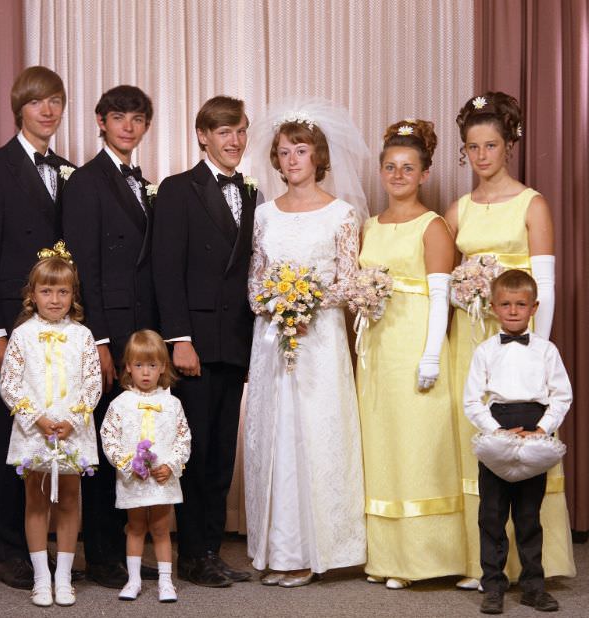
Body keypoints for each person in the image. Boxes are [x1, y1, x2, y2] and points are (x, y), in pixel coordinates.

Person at [444, 92, 575, 589]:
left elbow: (546, 284)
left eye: (491, 145)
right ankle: (484, 565)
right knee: (480, 449)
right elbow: (437, 267)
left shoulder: (531, 203)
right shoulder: (458, 209)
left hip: (519, 341)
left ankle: (533, 566)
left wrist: (538, 355)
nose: (481, 156)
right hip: (472, 340)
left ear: (509, 145)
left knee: (525, 448)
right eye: (472, 147)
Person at [243, 99, 367, 587]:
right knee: (276, 435)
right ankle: (279, 549)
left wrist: (306, 302)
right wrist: (275, 302)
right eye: (284, 152)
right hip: (273, 337)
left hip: (320, 340)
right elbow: (254, 281)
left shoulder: (342, 214)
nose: (293, 159)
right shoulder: (265, 215)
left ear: (319, 156)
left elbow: (348, 281)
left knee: (315, 434)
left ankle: (315, 551)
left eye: (301, 150)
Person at [0, 65, 75, 589]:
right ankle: (7, 550)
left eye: (55, 101)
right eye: (37, 102)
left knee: (60, 430)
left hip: (58, 327)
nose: (47, 111)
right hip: (7, 327)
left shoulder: (72, 171)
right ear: (19, 109)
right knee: (6, 437)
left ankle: (53, 544)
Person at [152, 96, 258, 587]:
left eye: (239, 131)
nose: (233, 141)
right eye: (223, 133)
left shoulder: (254, 194)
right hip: (195, 343)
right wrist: (180, 339)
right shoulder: (177, 189)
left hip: (234, 343)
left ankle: (210, 550)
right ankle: (193, 554)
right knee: (194, 451)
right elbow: (166, 271)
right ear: (202, 136)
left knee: (220, 455)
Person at [357, 119, 465, 589]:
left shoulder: (433, 226)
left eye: (408, 168)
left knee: (420, 447)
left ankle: (427, 558)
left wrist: (431, 356)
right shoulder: (368, 226)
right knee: (382, 449)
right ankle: (390, 559)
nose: (398, 175)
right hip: (377, 348)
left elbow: (440, 297)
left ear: (424, 174)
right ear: (381, 172)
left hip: (415, 343)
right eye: (390, 167)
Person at [62, 85, 158, 588]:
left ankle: (122, 549)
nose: (128, 126)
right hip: (107, 332)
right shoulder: (85, 181)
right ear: (100, 121)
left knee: (129, 439)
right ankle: (99, 556)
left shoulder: (142, 182)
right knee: (101, 442)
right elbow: (84, 268)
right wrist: (97, 340)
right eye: (118, 117)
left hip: (139, 331)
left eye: (137, 119)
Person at [464, 269, 572, 614]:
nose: (513, 311)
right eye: (506, 304)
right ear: (494, 307)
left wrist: (542, 429)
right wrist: (496, 431)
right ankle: (493, 585)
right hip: (498, 430)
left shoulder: (546, 350)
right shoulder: (484, 351)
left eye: (520, 304)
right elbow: (471, 400)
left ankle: (533, 587)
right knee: (491, 515)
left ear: (534, 307)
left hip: (534, 428)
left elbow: (561, 395)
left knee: (528, 515)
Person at [0, 245, 101, 607]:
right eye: (46, 291)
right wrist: (37, 418)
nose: (55, 299)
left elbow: (92, 384)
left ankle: (64, 577)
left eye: (63, 291)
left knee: (71, 499)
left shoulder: (83, 336)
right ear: (32, 295)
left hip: (73, 429)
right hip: (35, 429)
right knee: (36, 499)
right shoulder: (23, 335)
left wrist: (72, 421)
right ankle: (41, 577)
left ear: (73, 295)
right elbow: (10, 384)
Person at [101, 330, 192, 603]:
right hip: (134, 479)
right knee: (136, 527)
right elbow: (109, 438)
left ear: (162, 367)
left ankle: (166, 582)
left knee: (162, 528)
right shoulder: (121, 404)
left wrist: (172, 466)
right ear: (128, 366)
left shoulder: (172, 403)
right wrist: (129, 465)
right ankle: (134, 579)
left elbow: (183, 439)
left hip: (163, 478)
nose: (145, 373)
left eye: (152, 366)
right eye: (139, 365)